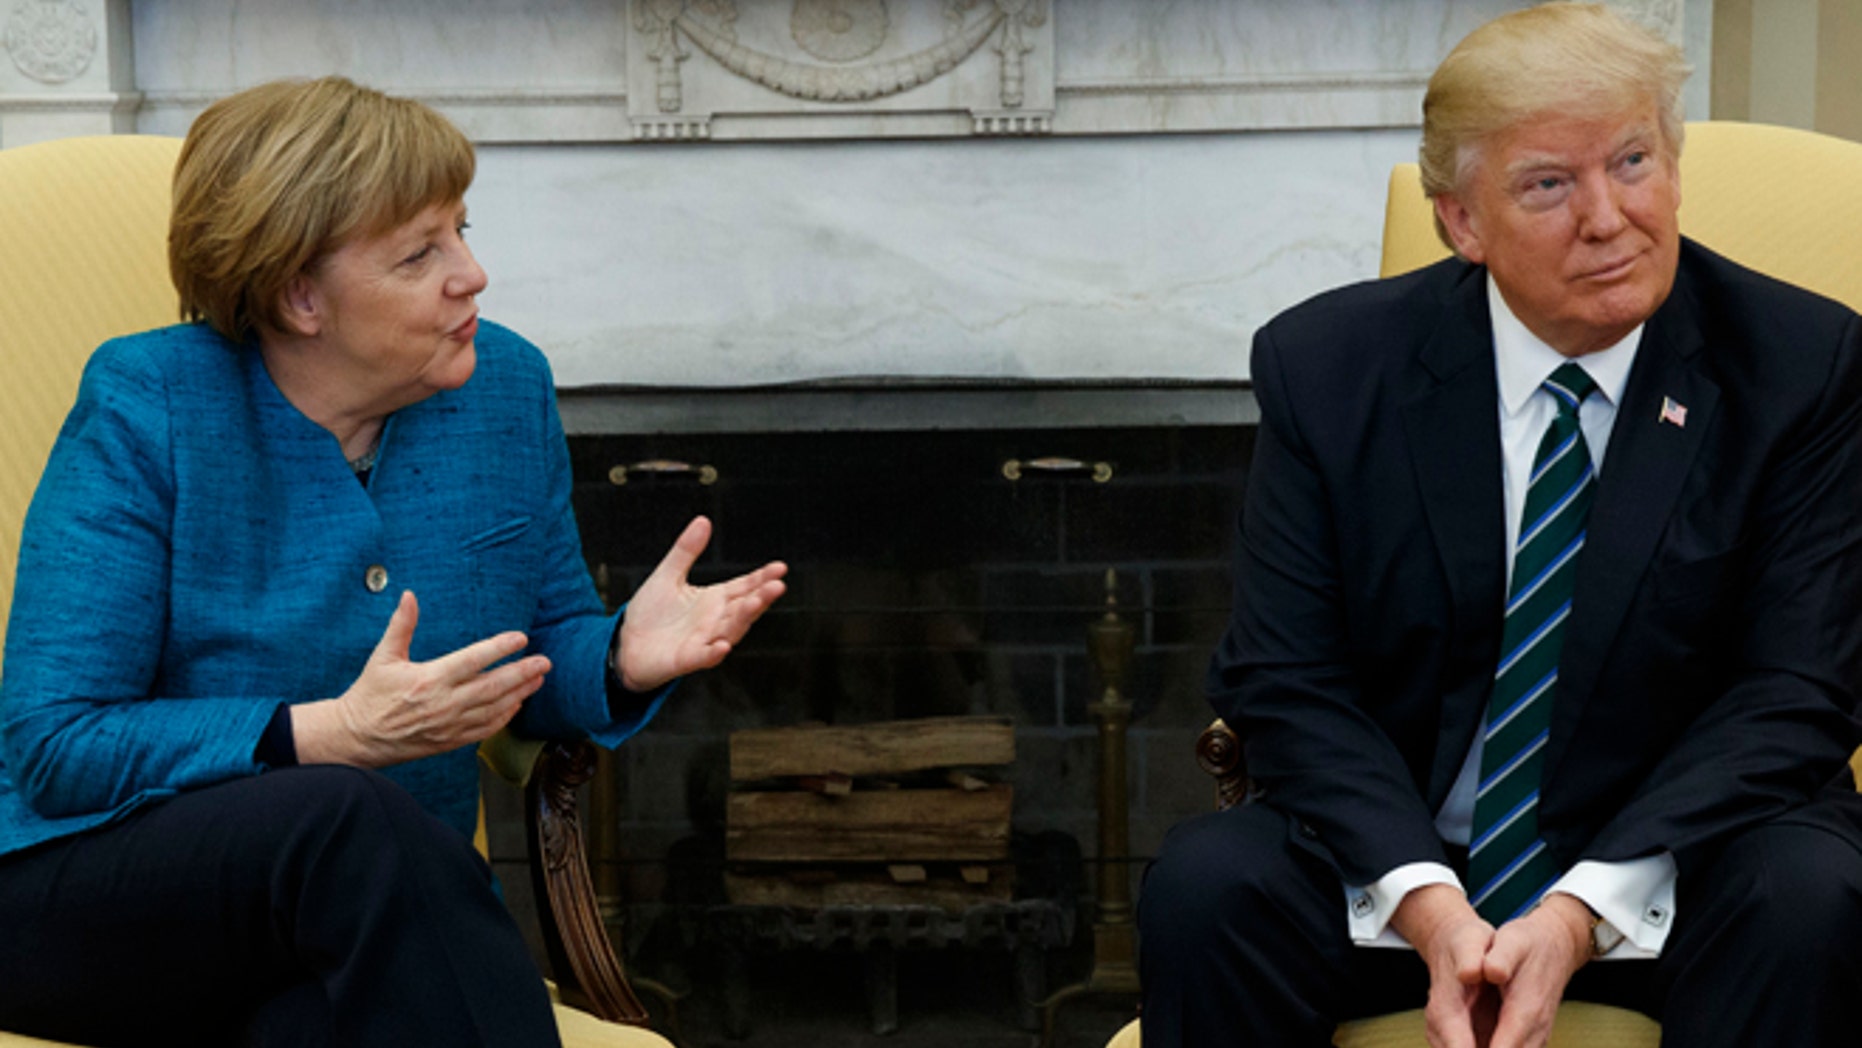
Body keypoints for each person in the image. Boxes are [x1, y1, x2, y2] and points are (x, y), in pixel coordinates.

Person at [0, 76, 787, 1047]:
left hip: (349, 929)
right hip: (82, 893)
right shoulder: (148, 403)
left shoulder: (505, 388)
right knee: (344, 816)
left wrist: (618, 656)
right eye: (420, 254)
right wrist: (329, 732)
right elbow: (58, 745)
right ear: (299, 295)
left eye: (462, 230)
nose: (473, 274)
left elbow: (527, 656)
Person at [1137, 5, 1862, 1047]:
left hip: (1675, 868)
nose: (1608, 217)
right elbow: (1283, 676)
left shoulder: (1799, 364)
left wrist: (1575, 912)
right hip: (1401, 868)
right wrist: (1430, 907)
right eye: (1547, 185)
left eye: (1632, 161)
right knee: (1208, 886)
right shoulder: (1328, 369)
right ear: (1460, 223)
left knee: (1808, 895)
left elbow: (1795, 687)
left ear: (1671, 165)